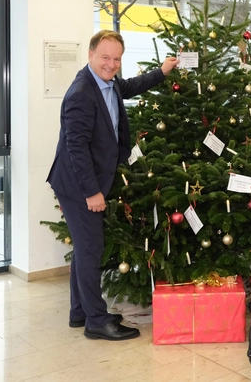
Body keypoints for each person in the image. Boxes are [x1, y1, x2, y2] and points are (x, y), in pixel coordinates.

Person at [47, 30, 178, 341]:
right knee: (91, 249)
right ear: (91, 55)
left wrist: (162, 72)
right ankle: (96, 320)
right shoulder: (81, 93)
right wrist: (92, 192)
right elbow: (76, 147)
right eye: (105, 57)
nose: (112, 64)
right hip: (79, 184)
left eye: (117, 58)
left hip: (87, 180)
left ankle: (79, 311)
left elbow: (130, 86)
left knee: (84, 249)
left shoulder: (108, 82)